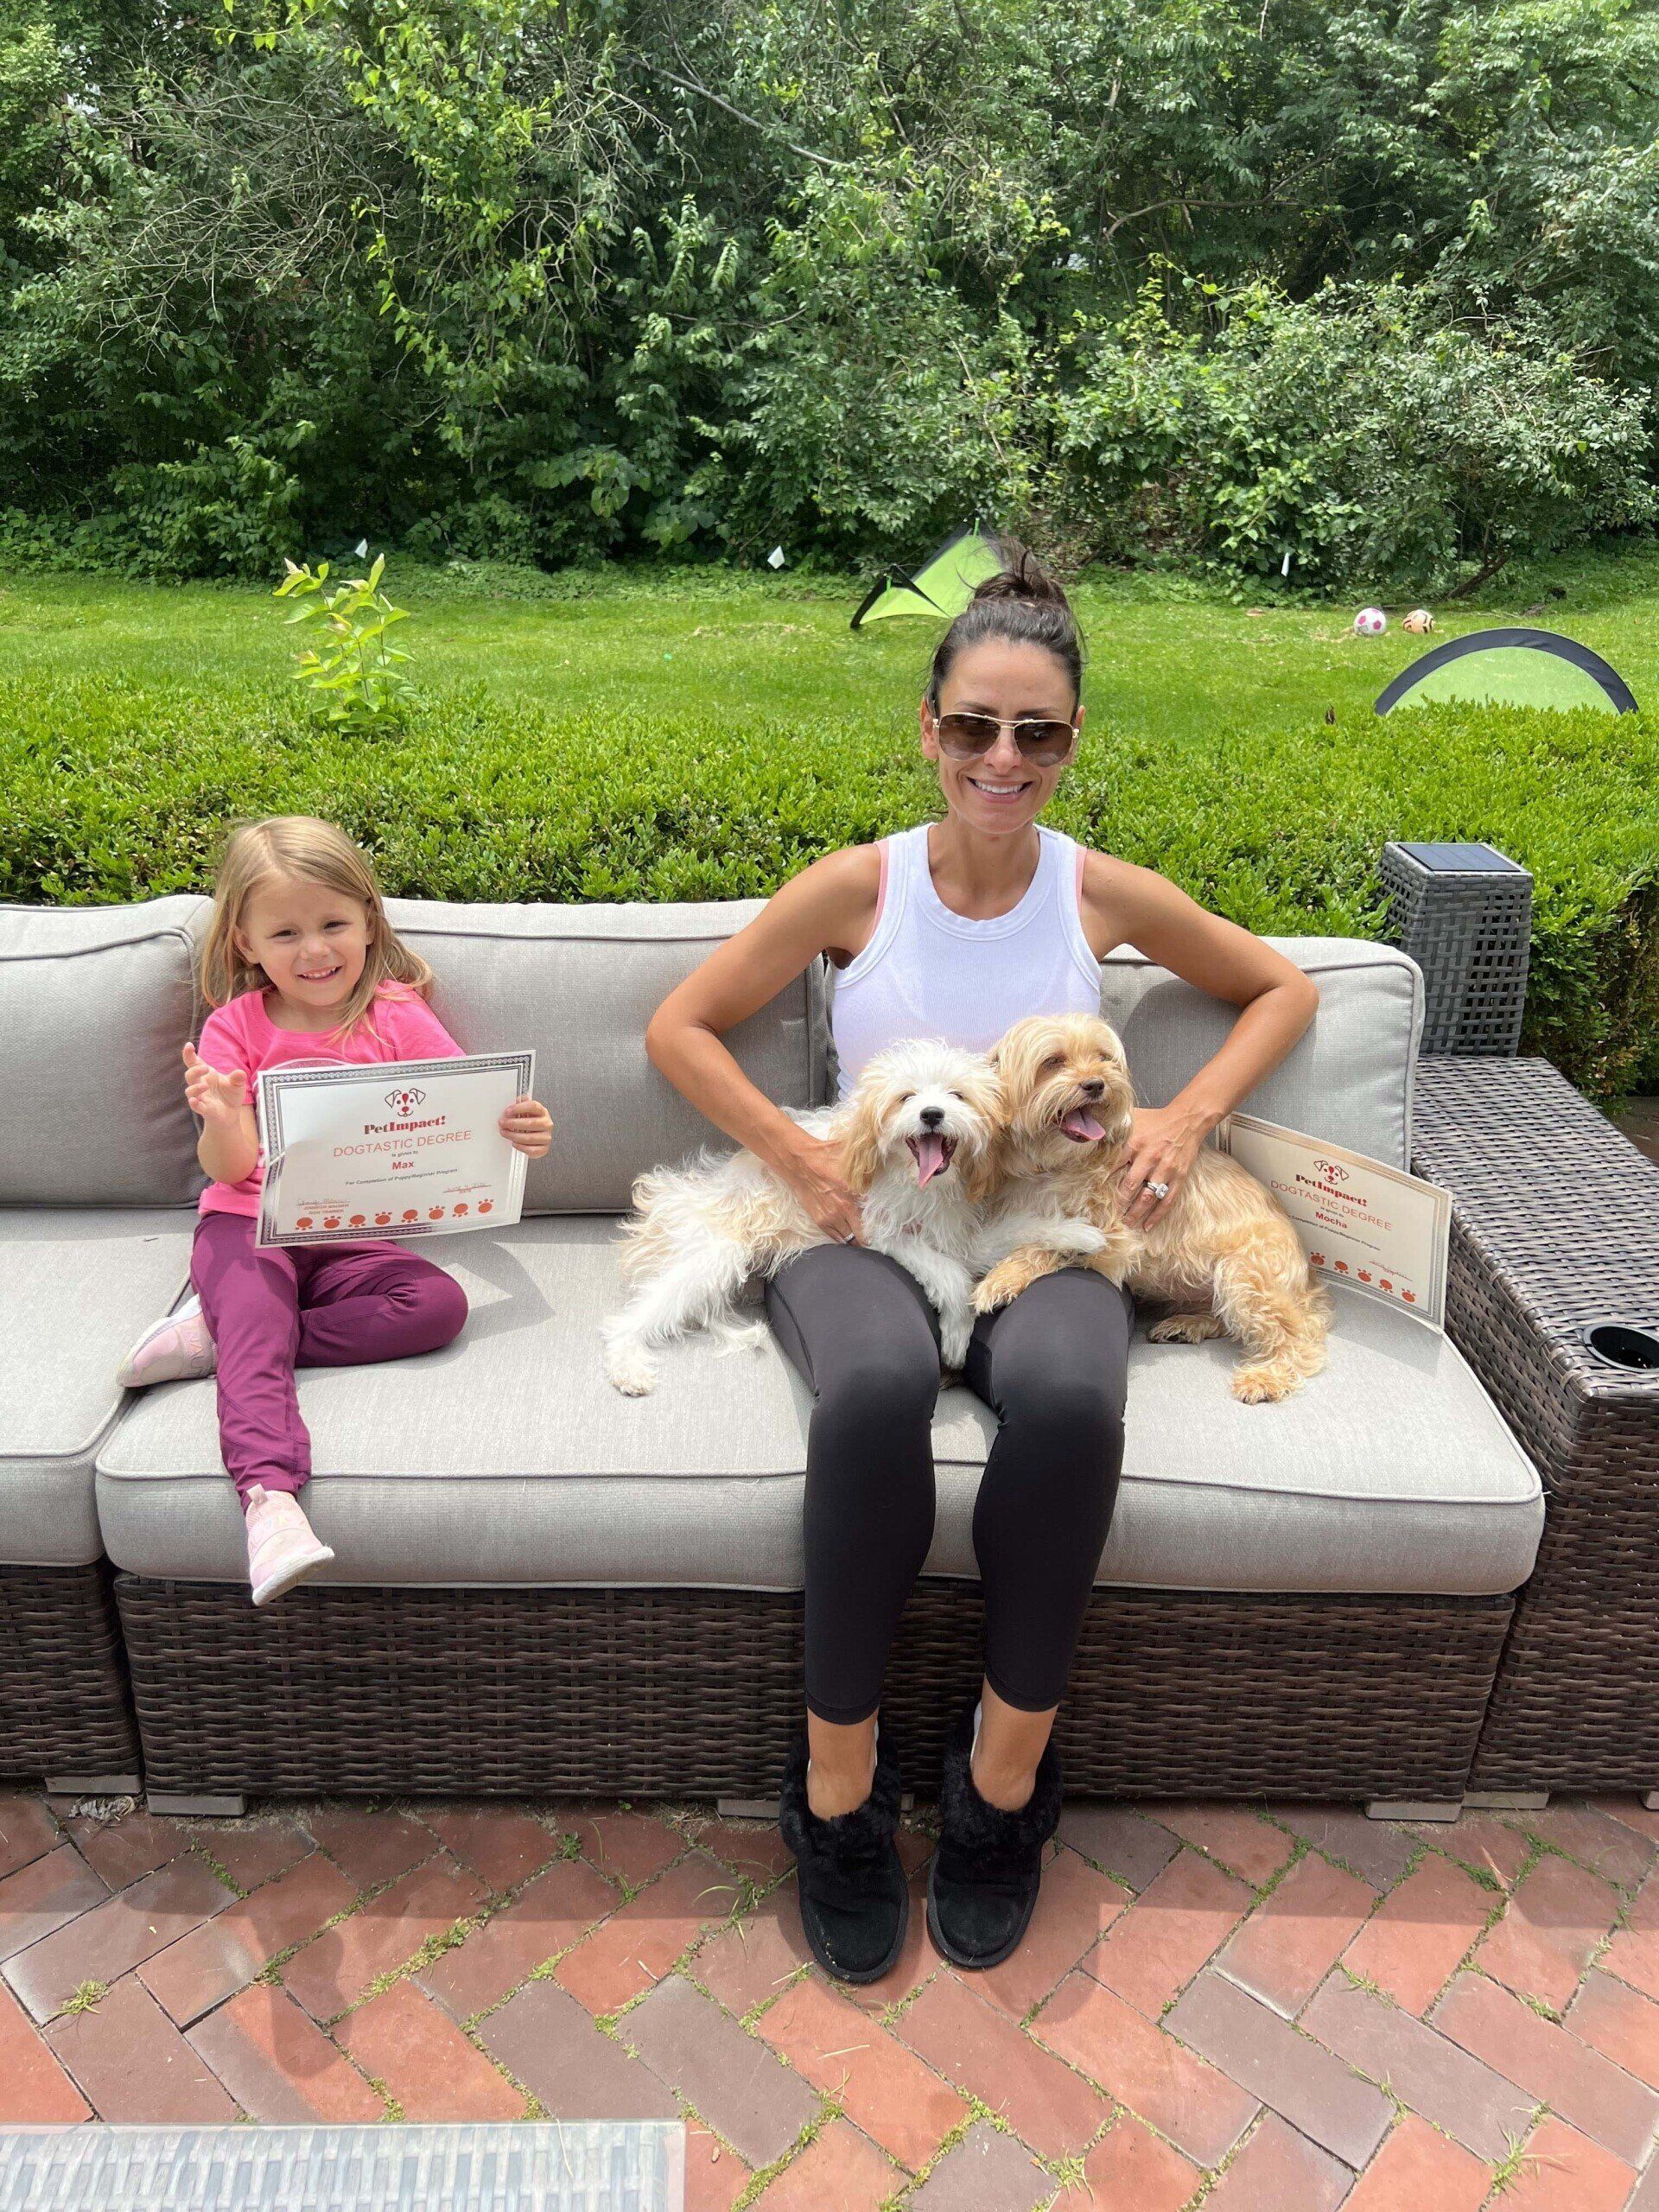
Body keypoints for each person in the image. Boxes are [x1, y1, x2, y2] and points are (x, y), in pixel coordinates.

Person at [644, 543, 1320, 1982]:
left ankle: (1001, 1789)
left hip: (1039, 1232)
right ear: (929, 729)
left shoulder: (1097, 892)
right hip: (874, 1229)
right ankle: (836, 1796)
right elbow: (679, 1028)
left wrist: (1185, 1116)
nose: (1002, 759)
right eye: (973, 725)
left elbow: (1281, 988)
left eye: (1037, 733)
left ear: (1071, 743)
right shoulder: (860, 887)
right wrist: (799, 1159)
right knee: (875, 1393)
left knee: (1073, 1401)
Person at [116, 815, 555, 1607]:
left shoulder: (395, 1013)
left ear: (368, 922)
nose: (314, 950)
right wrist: (223, 1115)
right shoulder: (233, 1028)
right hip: (247, 1227)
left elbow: (463, 1113)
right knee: (256, 1302)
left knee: (439, 1305)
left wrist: (518, 1128)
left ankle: (228, 1337)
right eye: (285, 933)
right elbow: (230, 1169)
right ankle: (270, 1505)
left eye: (333, 925)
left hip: (353, 1236)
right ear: (246, 942)